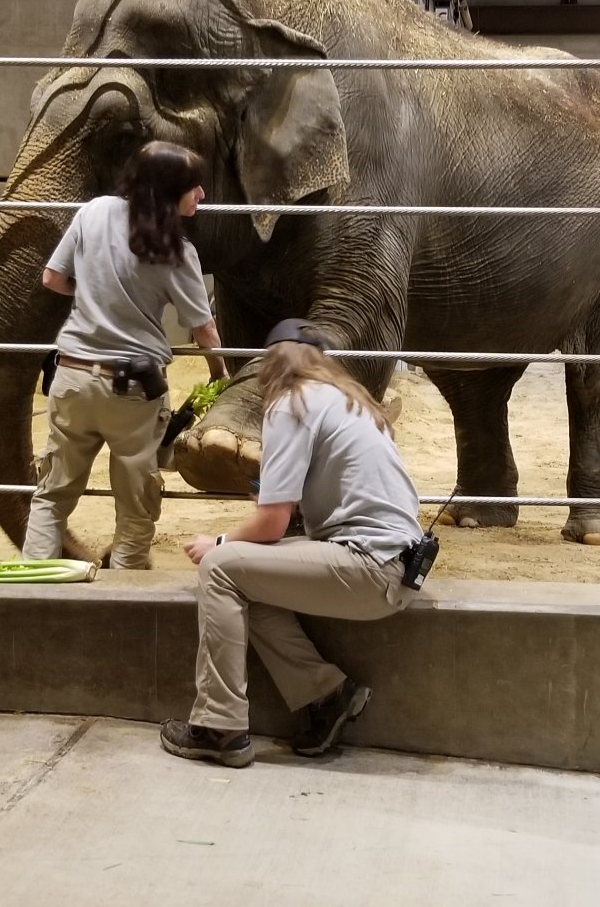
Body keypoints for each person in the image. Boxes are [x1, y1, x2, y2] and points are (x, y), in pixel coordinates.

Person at [159, 319, 423, 768]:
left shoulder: (289, 403)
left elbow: (272, 523)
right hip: (394, 563)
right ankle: (328, 694)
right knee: (247, 578)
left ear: (267, 367)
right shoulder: (347, 399)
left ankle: (218, 727)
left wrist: (219, 541)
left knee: (221, 568)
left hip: (370, 565)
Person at [27, 140, 226, 568]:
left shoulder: (93, 211)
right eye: (195, 187)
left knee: (52, 494)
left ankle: (30, 593)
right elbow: (203, 327)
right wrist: (220, 374)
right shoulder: (177, 250)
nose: (202, 195)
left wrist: (98, 296)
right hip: (133, 391)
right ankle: (125, 592)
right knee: (136, 503)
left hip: (73, 377)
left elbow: (51, 278)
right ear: (169, 191)